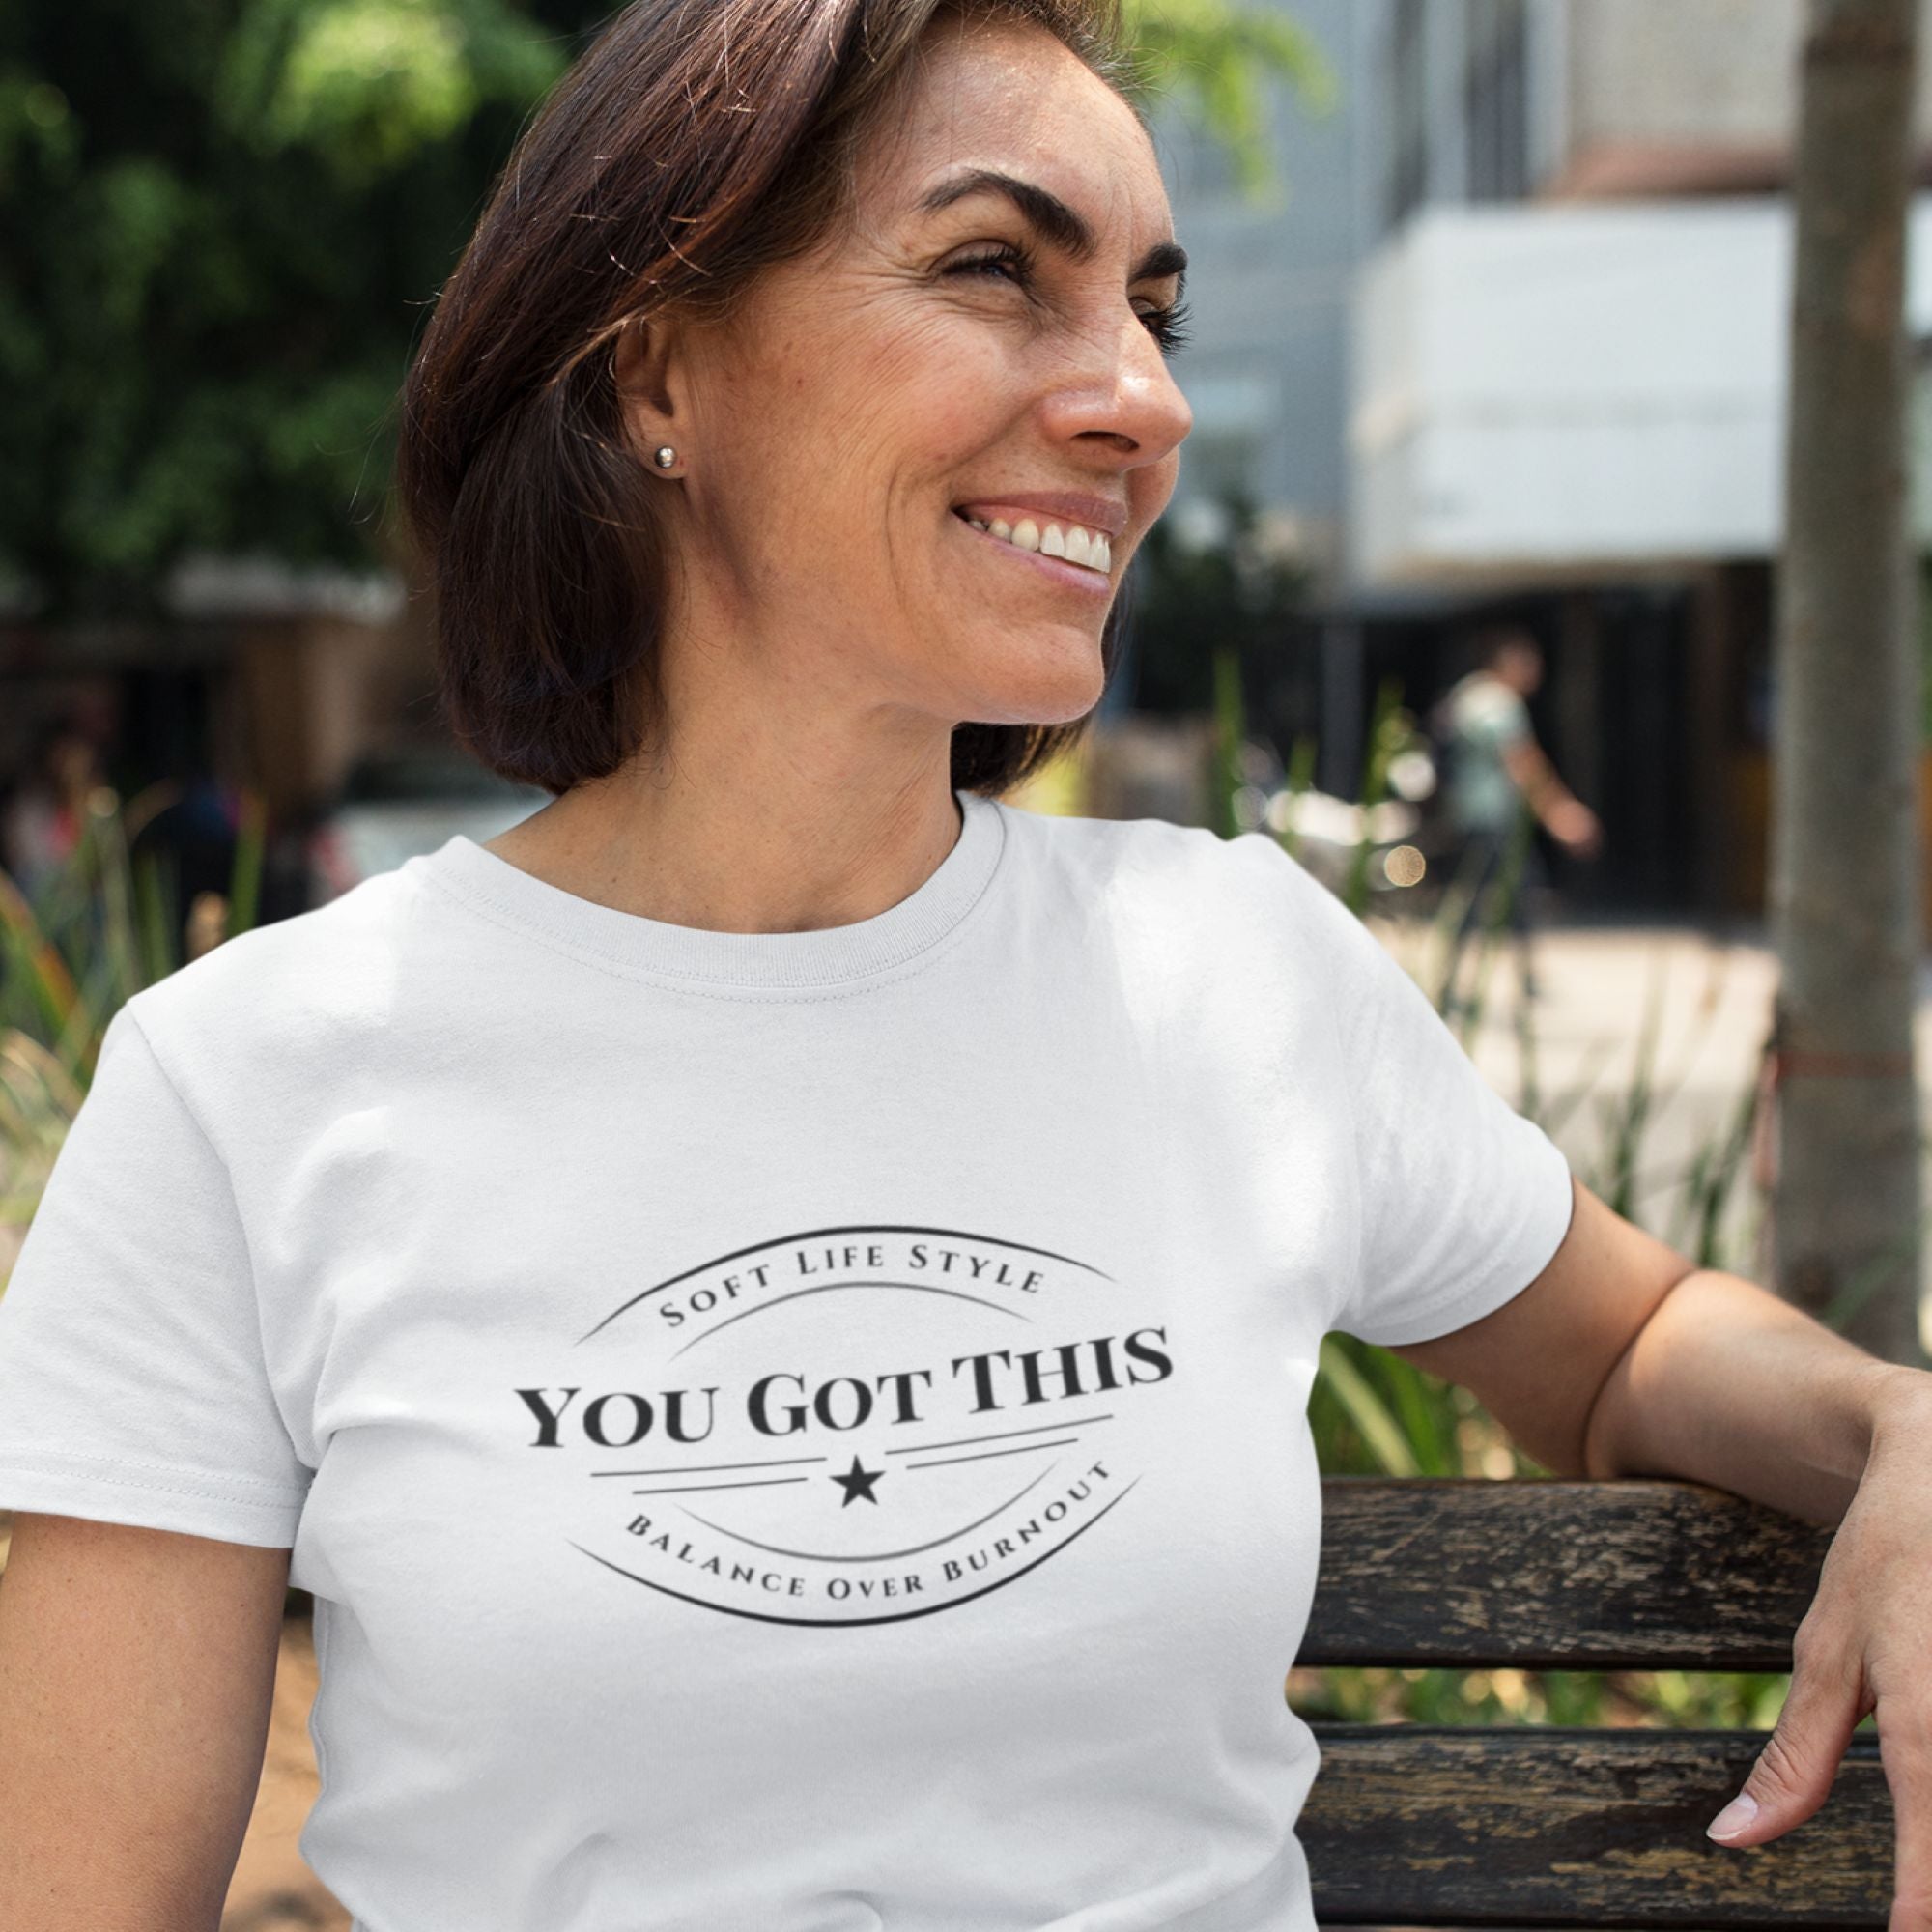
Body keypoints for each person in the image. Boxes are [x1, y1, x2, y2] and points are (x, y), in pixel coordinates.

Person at [1, 5, 1926, 1928]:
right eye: (996, 267)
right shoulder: (248, 1088)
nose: (1144, 400)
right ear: (656, 374)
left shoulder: (1229, 965)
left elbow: (1623, 1343)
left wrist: (1890, 1428)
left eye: (1152, 311)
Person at [1431, 625, 1601, 1014]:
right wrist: (1560, 812)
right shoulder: (1499, 702)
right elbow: (1522, 762)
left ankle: (1497, 979)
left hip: (1465, 814)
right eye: (1529, 661)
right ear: (1508, 661)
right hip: (1492, 817)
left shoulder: (1466, 694)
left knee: (1494, 896)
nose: (1535, 670)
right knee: (1505, 895)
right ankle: (1464, 983)